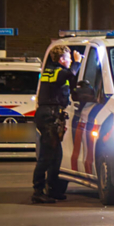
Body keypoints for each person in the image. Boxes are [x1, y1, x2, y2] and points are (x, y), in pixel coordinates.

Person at [32, 46, 82, 204]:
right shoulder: (57, 72)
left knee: (56, 155)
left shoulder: (50, 71)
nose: (69, 61)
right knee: (46, 156)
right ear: (61, 59)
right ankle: (38, 191)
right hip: (49, 116)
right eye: (68, 58)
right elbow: (70, 74)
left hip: (49, 114)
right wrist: (77, 62)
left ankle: (53, 190)